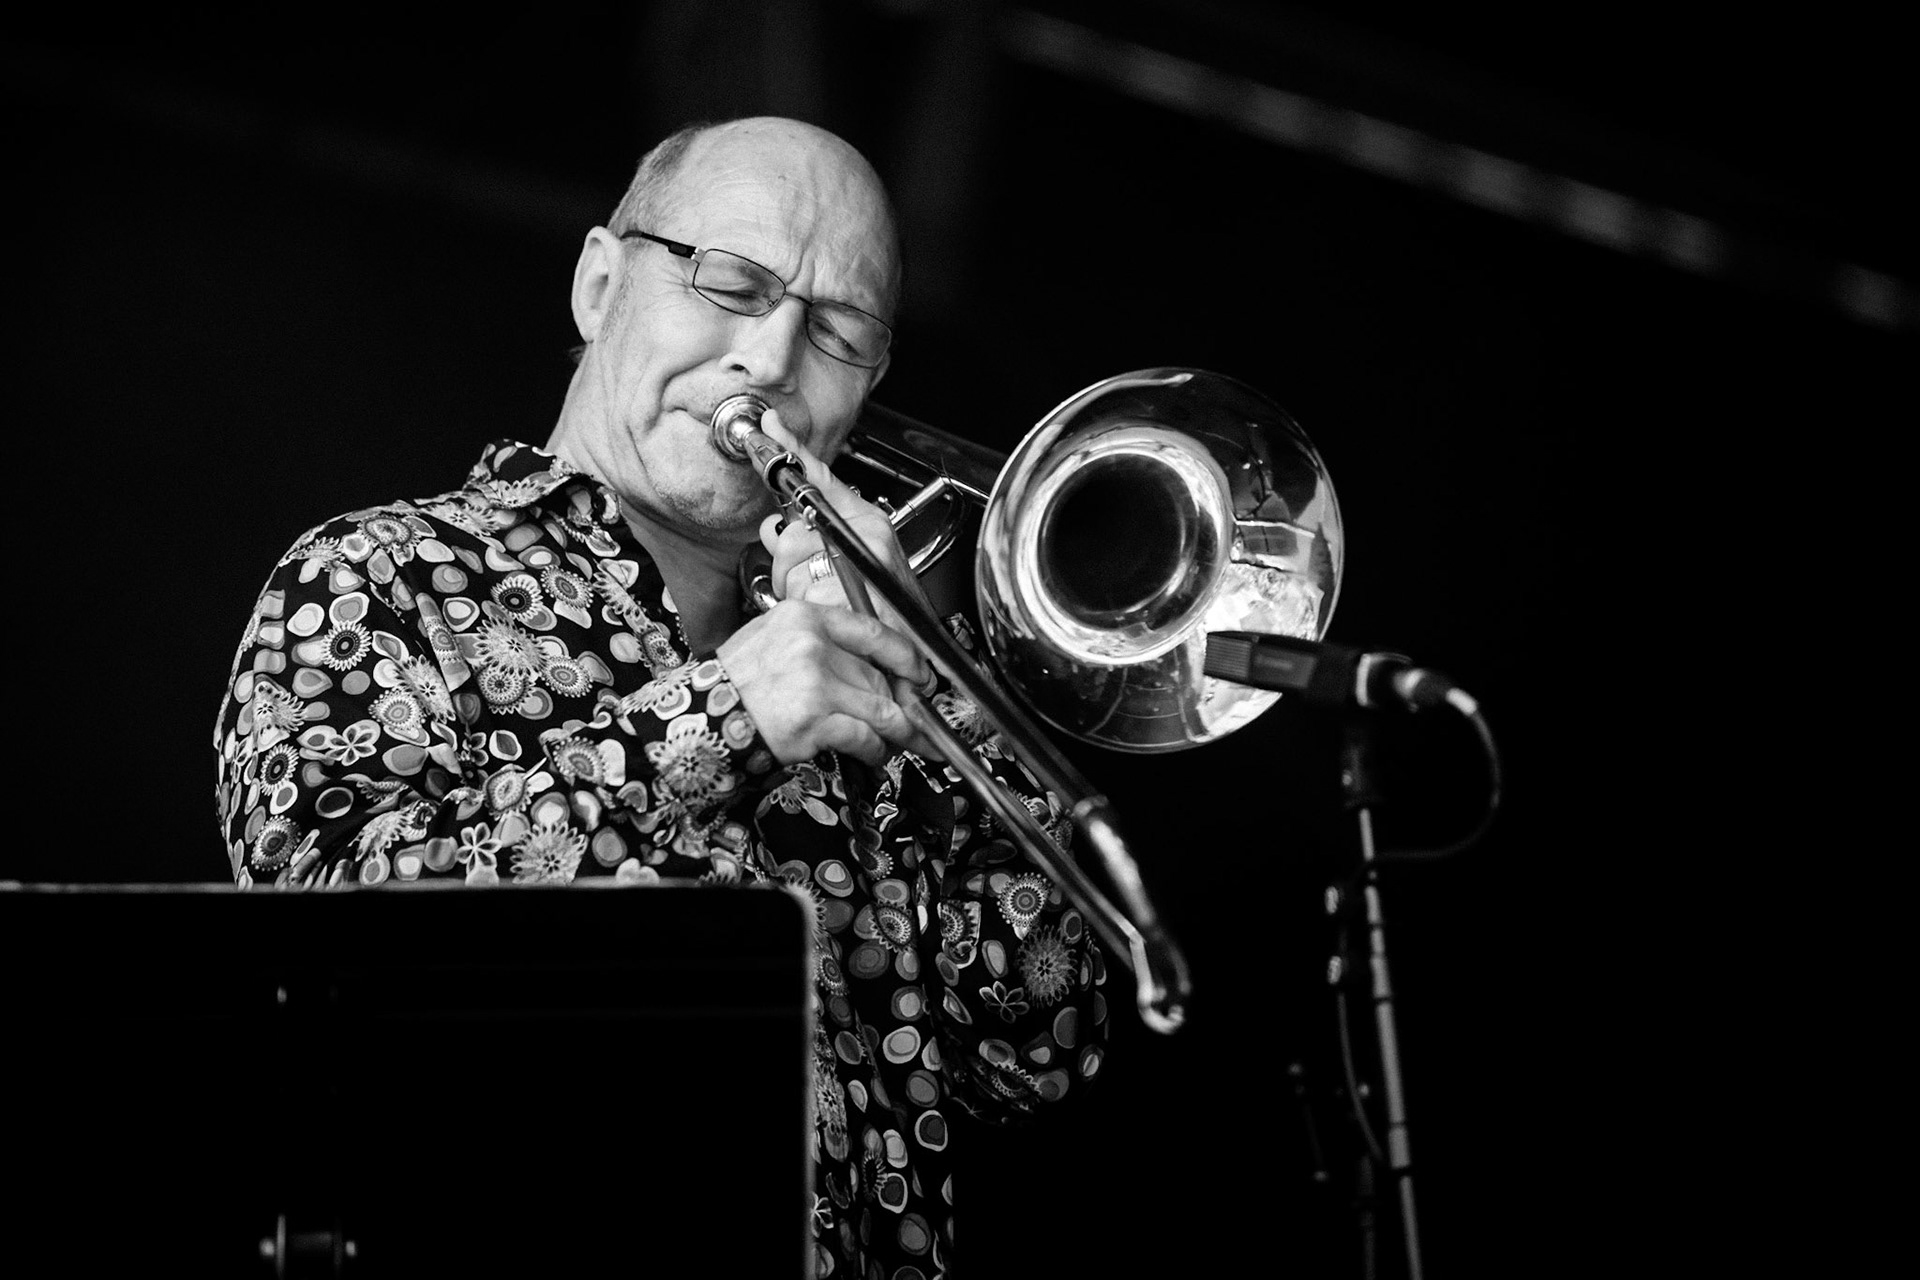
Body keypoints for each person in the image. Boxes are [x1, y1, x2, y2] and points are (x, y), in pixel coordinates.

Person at [212, 116, 1107, 1277]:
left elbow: (1035, 1049)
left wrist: (943, 696)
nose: (775, 359)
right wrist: (724, 715)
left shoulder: (864, 654)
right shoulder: (371, 575)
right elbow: (325, 957)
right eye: (732, 282)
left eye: (837, 331)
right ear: (597, 283)